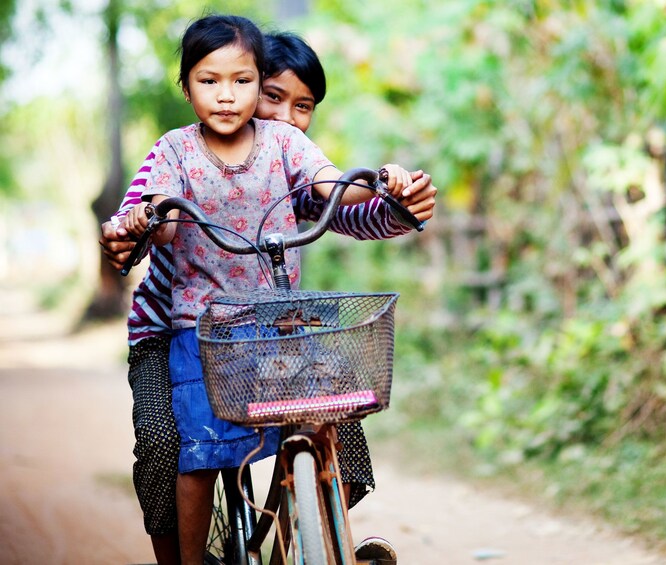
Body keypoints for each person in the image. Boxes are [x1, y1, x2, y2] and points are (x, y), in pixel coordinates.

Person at [113, 16, 430, 564]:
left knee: (338, 419)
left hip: (271, 326)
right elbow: (145, 214)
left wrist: (394, 193)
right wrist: (130, 229)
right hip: (177, 333)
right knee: (170, 448)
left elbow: (337, 201)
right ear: (189, 87)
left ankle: (299, 541)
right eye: (275, 97)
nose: (282, 115)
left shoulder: (287, 158)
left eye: (302, 105)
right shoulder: (176, 153)